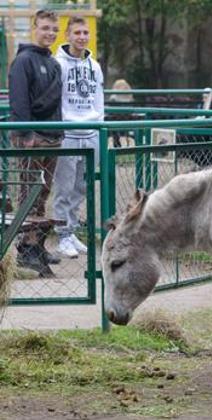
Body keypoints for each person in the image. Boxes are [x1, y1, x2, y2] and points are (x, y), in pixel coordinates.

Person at [8, 9, 64, 277]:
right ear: (34, 28)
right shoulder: (24, 60)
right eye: (45, 28)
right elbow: (18, 100)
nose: (50, 33)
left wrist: (59, 132)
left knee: (43, 192)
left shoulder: (53, 63)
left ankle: (35, 243)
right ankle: (25, 248)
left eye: (54, 29)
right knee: (28, 191)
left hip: (52, 136)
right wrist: (26, 133)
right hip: (32, 138)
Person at [52, 15, 104, 259]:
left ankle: (71, 231)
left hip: (91, 132)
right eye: (77, 33)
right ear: (68, 35)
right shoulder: (58, 64)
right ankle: (61, 234)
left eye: (85, 32)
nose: (82, 37)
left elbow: (98, 99)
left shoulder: (94, 66)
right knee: (64, 187)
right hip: (68, 133)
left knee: (81, 187)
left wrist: (100, 127)